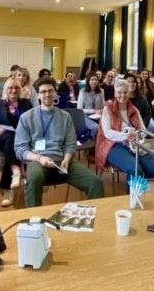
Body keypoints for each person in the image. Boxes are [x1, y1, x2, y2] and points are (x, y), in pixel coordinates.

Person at [14, 77, 104, 207]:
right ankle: (34, 222)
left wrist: (67, 159)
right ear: (38, 95)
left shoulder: (65, 116)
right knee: (33, 179)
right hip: (38, 161)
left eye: (50, 91)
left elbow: (70, 144)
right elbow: (20, 149)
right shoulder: (27, 117)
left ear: (55, 93)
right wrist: (39, 158)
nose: (47, 94)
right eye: (43, 91)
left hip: (63, 162)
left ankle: (97, 220)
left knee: (95, 182)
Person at [96, 79, 154, 187]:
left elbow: (143, 131)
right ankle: (133, 199)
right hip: (113, 145)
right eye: (119, 92)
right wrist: (126, 136)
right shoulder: (107, 108)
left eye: (125, 92)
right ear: (115, 93)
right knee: (135, 169)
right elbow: (107, 133)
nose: (122, 95)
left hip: (135, 144)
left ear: (129, 93)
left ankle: (148, 195)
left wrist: (136, 135)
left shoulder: (134, 109)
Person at [0, 78, 33, 206]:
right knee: (10, 137)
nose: (13, 90)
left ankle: (8, 190)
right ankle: (17, 169)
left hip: (24, 137)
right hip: (3, 137)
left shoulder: (26, 103)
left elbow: (33, 121)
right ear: (5, 90)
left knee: (14, 139)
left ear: (20, 89)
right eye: (10, 88)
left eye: (16, 88)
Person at [76, 71, 105, 139]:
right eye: (92, 79)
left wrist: (102, 110)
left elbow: (103, 105)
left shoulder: (101, 91)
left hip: (98, 116)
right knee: (96, 128)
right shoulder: (82, 91)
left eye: (96, 80)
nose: (94, 81)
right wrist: (93, 111)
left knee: (106, 127)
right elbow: (79, 109)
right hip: (85, 117)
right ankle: (91, 144)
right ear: (88, 81)